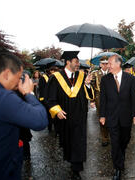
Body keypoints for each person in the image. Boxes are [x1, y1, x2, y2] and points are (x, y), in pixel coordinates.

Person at [0, 52, 48, 180]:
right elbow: (40, 120)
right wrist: (29, 93)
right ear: (6, 74)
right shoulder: (3, 97)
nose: (19, 83)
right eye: (18, 78)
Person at [47, 51, 94, 180]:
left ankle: (76, 169)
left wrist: (88, 84)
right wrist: (57, 110)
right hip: (65, 117)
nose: (78, 64)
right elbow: (50, 98)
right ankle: (71, 159)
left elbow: (89, 96)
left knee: (78, 142)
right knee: (67, 142)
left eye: (78, 62)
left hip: (79, 116)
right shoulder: (56, 77)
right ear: (68, 62)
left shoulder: (82, 76)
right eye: (76, 62)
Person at [99, 54, 135, 180]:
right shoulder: (105, 80)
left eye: (110, 63)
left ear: (118, 64)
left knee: (125, 140)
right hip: (111, 117)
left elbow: (134, 98)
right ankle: (117, 168)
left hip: (126, 116)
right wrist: (102, 115)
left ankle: (120, 157)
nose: (108, 66)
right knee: (115, 143)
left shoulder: (131, 79)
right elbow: (103, 99)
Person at [91, 56, 110, 147]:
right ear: (100, 64)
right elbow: (91, 88)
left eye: (106, 63)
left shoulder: (113, 73)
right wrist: (92, 100)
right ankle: (104, 137)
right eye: (103, 64)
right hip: (99, 98)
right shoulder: (95, 74)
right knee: (102, 117)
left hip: (112, 99)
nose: (105, 65)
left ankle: (111, 135)